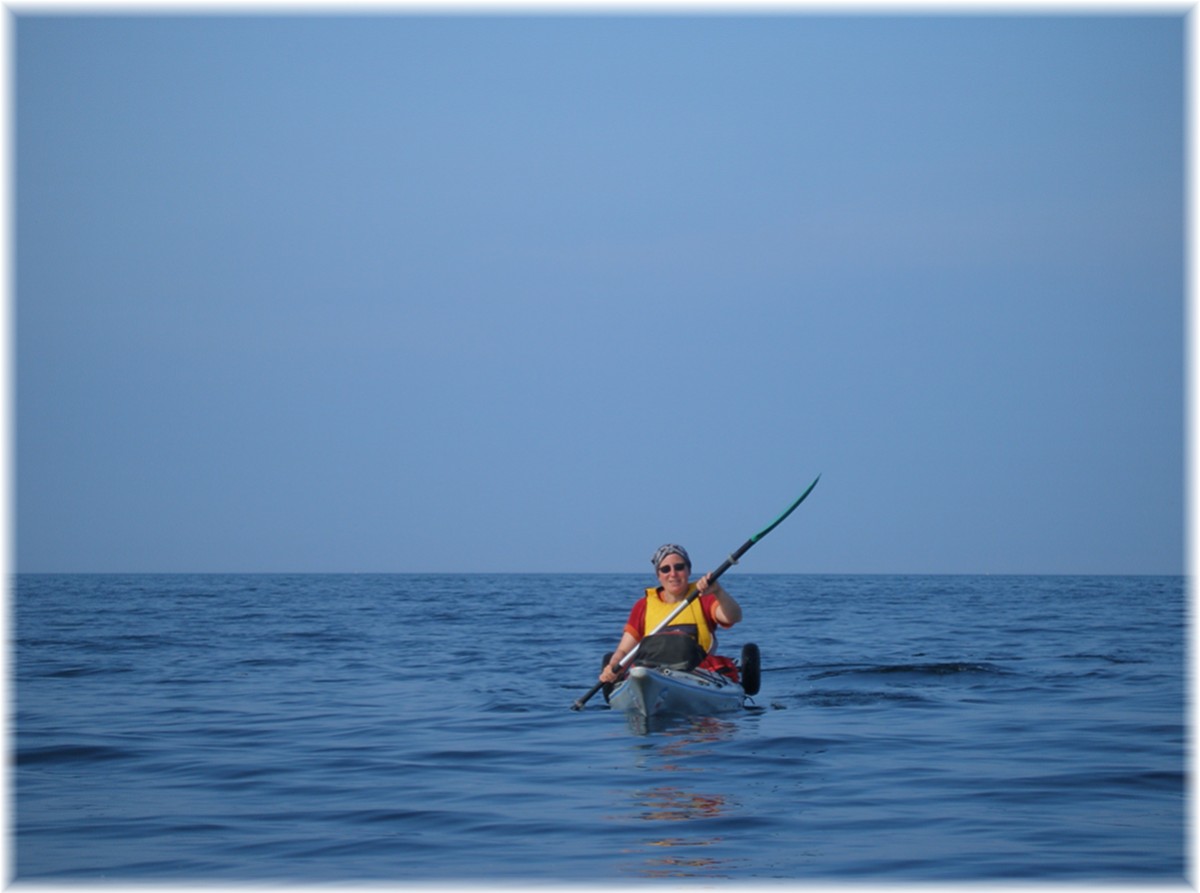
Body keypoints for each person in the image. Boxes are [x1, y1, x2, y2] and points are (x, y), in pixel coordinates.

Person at [599, 544, 743, 684]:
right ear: (658, 576)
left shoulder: (705, 596)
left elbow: (734, 617)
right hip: (653, 673)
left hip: (697, 673)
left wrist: (718, 591)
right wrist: (613, 665)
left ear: (688, 570)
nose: (673, 574)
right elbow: (624, 650)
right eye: (665, 569)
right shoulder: (643, 606)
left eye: (679, 567)